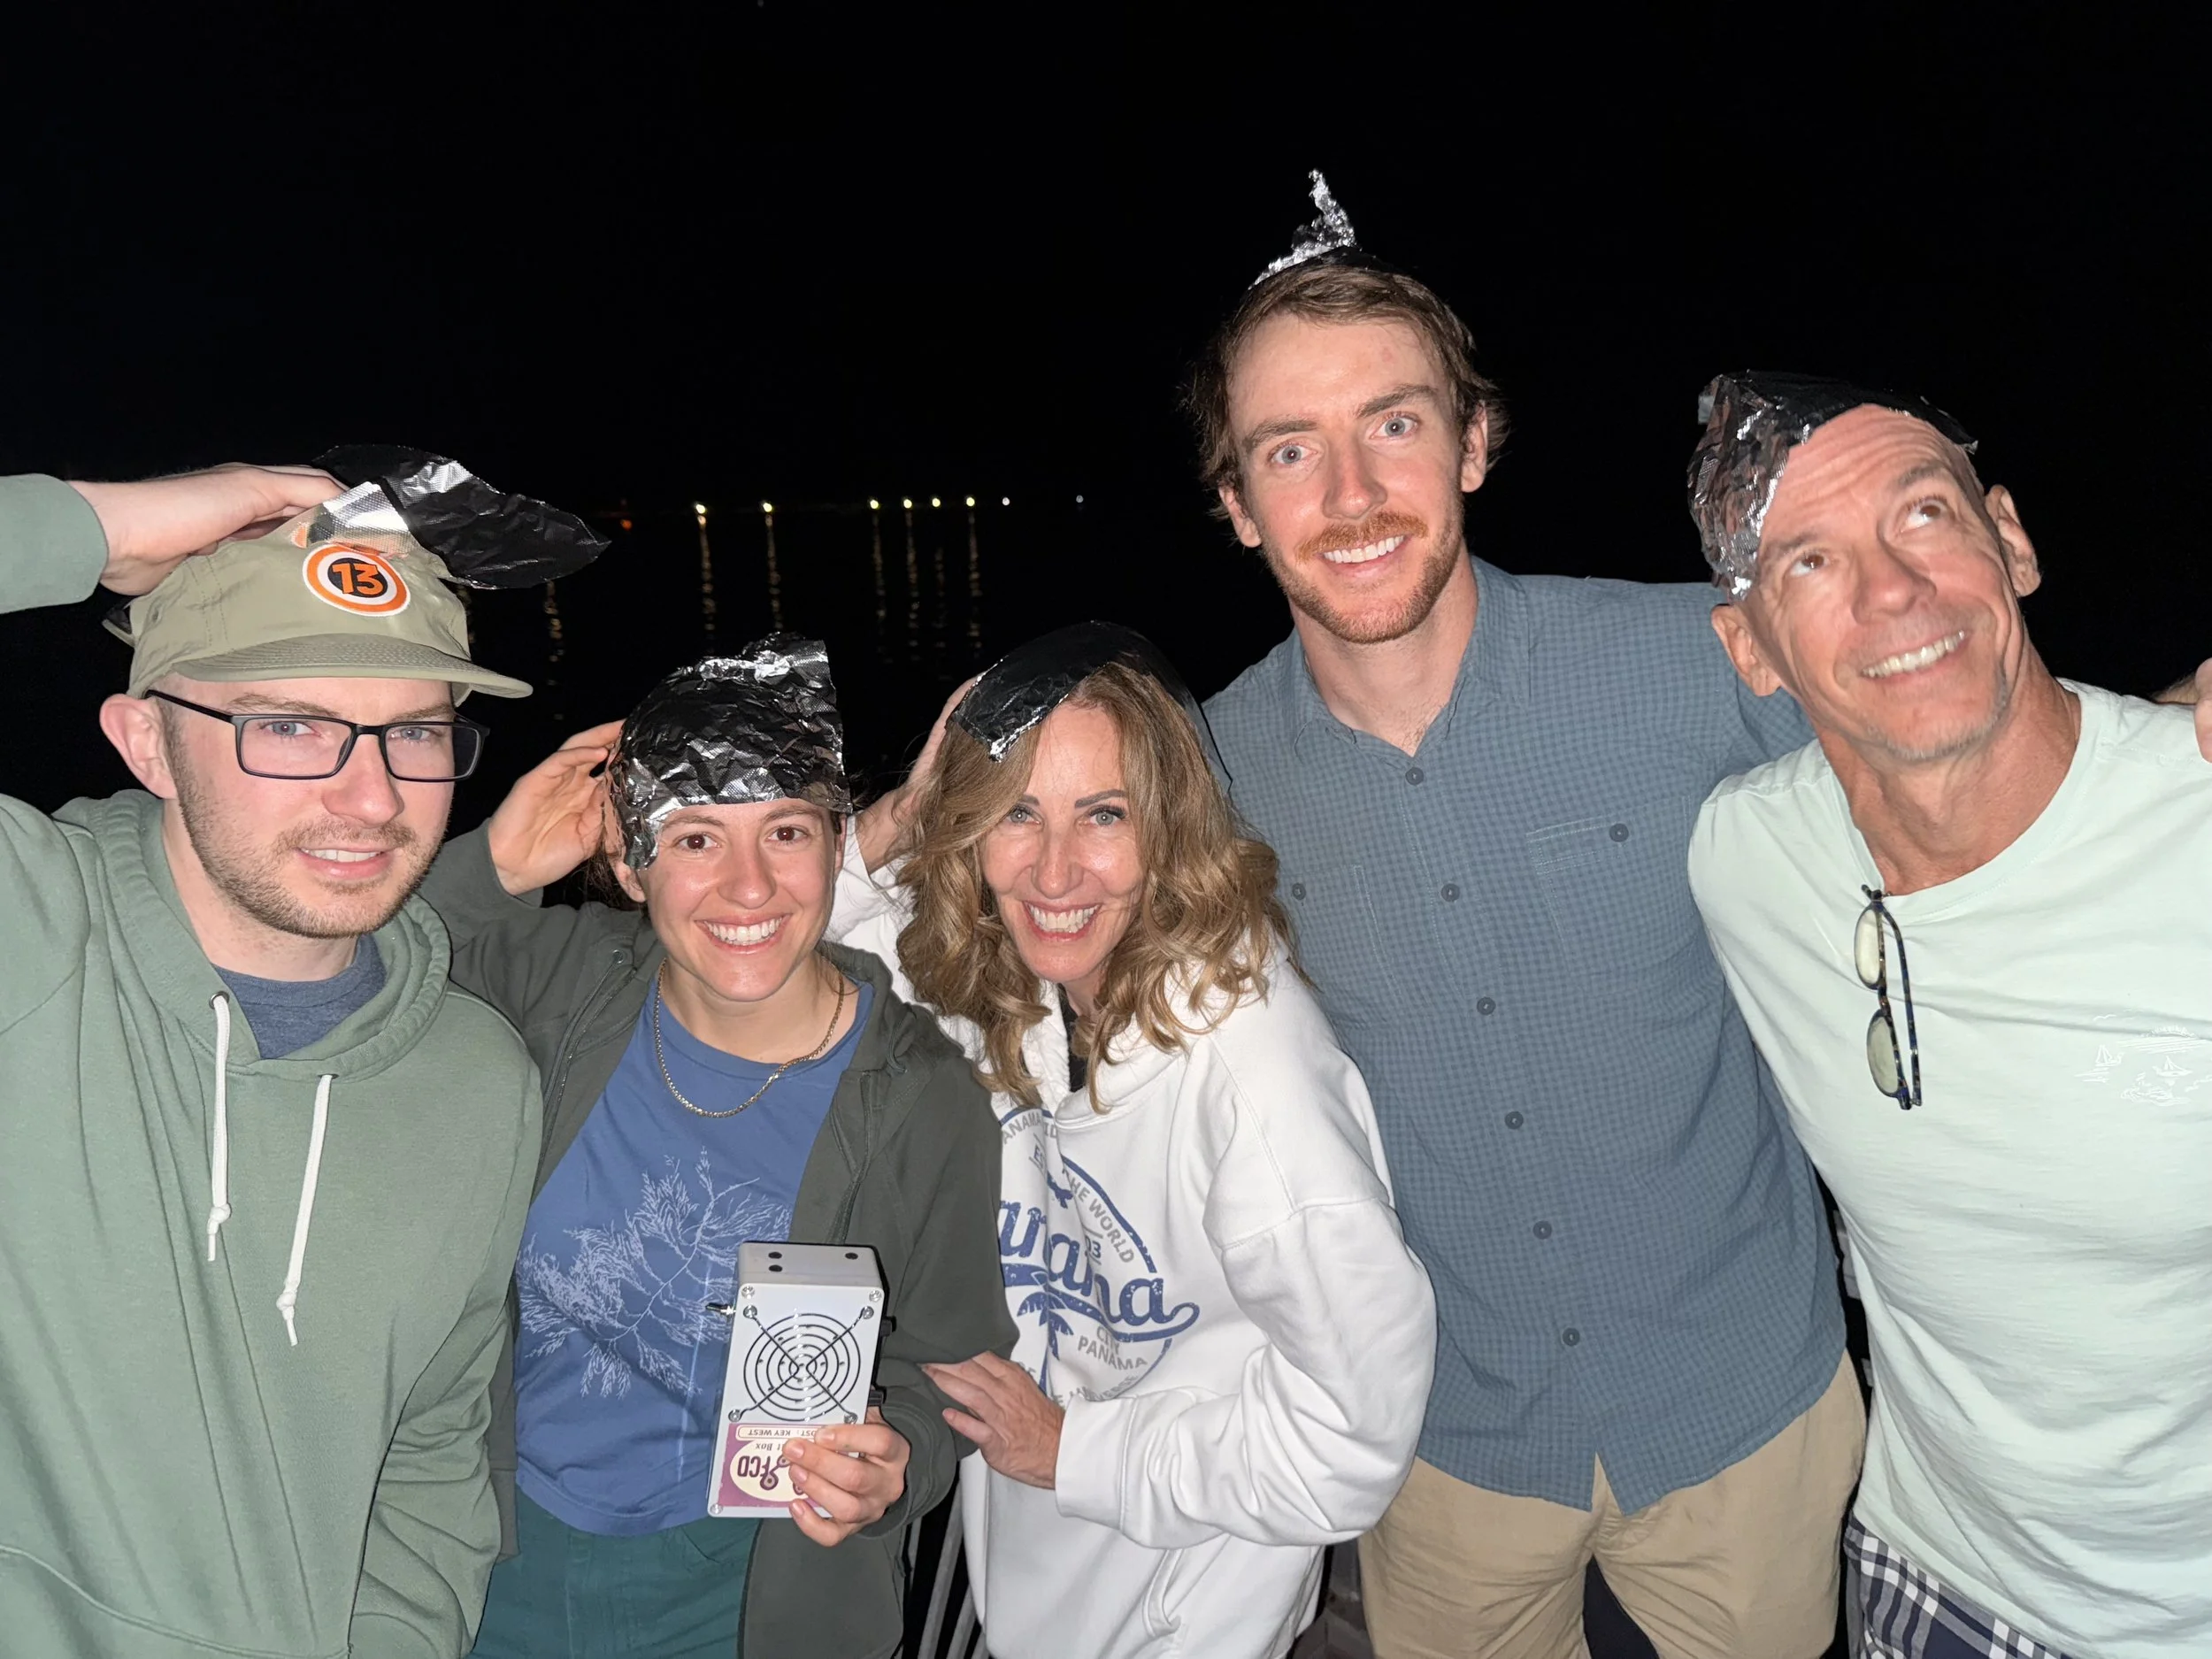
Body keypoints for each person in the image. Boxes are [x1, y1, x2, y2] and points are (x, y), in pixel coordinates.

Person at [1191, 175, 1865, 1659]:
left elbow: (1956, 776)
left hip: (1743, 1410)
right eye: (1290, 450)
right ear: (1237, 505)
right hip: (1445, 1440)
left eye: (1395, 423)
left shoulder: (1694, 663)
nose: (1351, 492)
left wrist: (2158, 735)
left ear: (1475, 441)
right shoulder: (1203, 780)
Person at [1685, 373, 2212, 1659]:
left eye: (1923, 513)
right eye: (1810, 561)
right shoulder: (1743, 857)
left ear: (2010, 540)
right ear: (1750, 650)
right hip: (1932, 1579)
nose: (1892, 591)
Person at [0, 465, 546, 1655]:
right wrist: (90, 525)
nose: (371, 796)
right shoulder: (28, 933)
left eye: (414, 732)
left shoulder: (480, 1079)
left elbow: (429, 1450)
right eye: (290, 725)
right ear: (149, 741)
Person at [842, 624, 1437, 1659]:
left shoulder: (1254, 1080)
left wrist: (1073, 1452)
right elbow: (782, 965)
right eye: (1016, 813)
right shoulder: (1012, 986)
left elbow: (1354, 1444)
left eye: (1103, 815)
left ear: (1168, 830)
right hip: (1035, 1594)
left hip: (1187, 1612)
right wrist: (899, 814)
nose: (1054, 871)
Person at [419, 640, 1013, 1659]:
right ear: (628, 862)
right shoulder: (555, 985)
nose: (749, 888)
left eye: (786, 832)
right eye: (696, 839)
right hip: (490, 1552)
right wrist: (497, 866)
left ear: (837, 845)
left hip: (745, 1589)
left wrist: (897, 1461)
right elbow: (340, 979)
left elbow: (949, 1366)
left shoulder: (923, 1097)